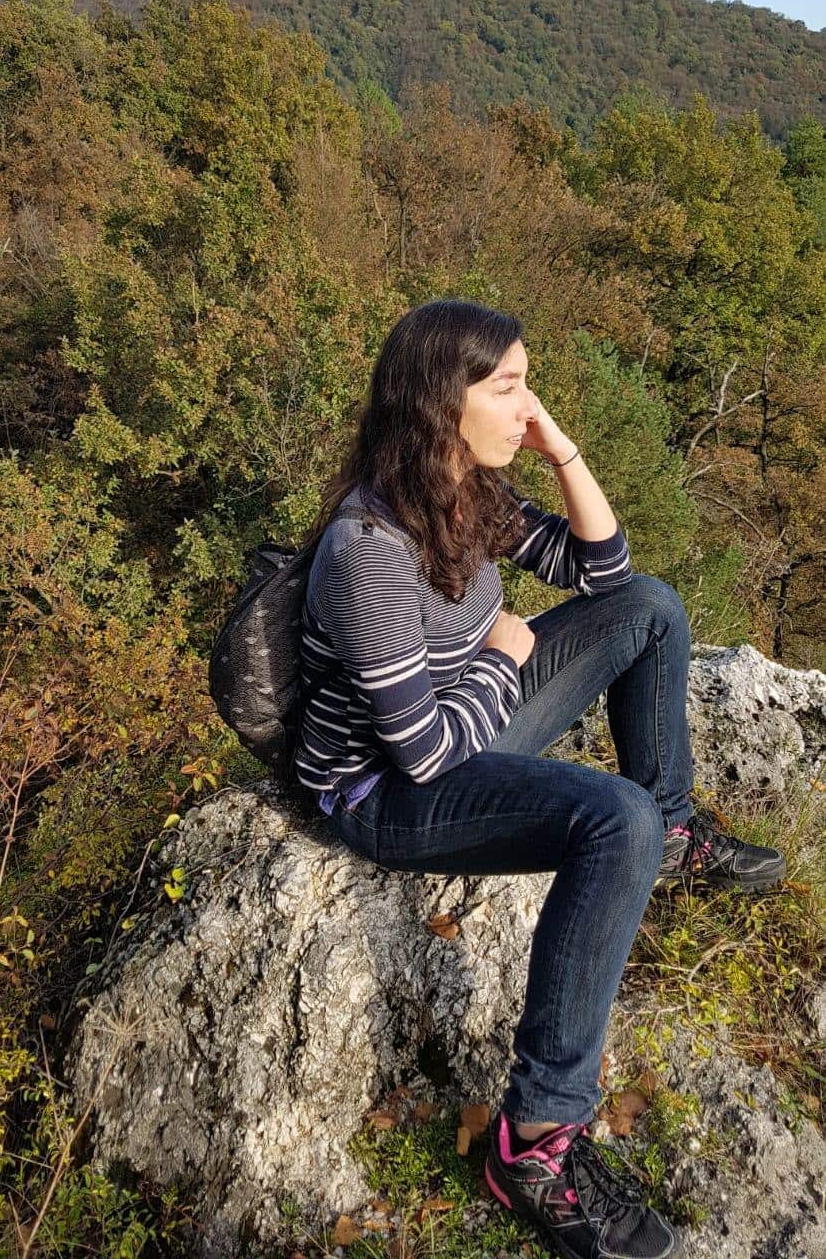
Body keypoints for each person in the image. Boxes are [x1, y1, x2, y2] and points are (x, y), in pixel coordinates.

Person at [293, 298, 784, 1259]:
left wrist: (559, 451)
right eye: (509, 388)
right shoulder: (368, 553)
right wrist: (504, 658)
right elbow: (427, 756)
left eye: (529, 385)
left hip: (457, 723)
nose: (527, 405)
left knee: (650, 606)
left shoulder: (464, 487)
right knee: (615, 821)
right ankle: (534, 1142)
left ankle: (677, 833)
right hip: (385, 793)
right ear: (444, 401)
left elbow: (606, 570)